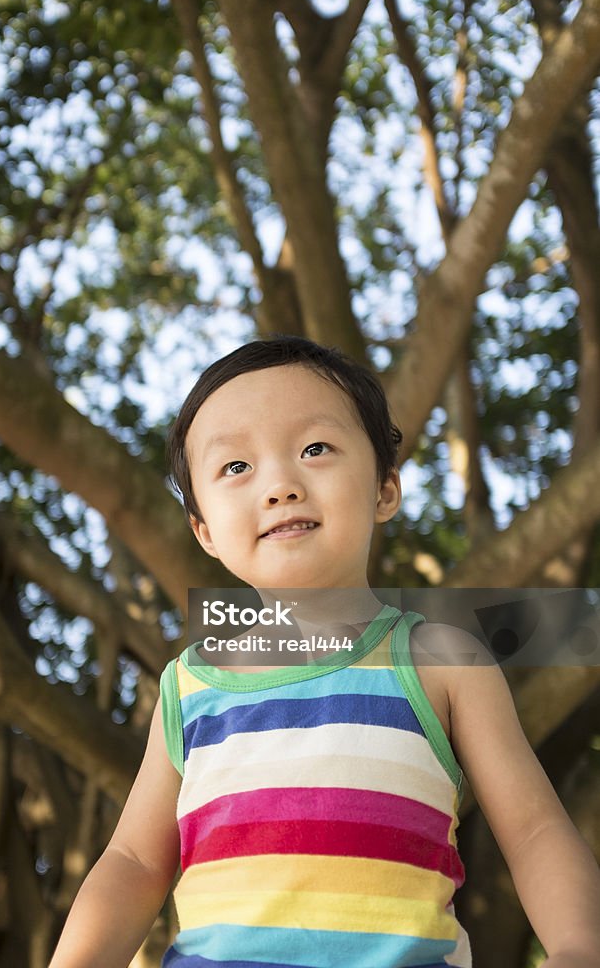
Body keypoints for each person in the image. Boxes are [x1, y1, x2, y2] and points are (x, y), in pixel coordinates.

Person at [49, 336, 600, 968]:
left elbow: (533, 829)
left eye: (315, 449)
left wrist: (579, 947)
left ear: (385, 489)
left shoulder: (441, 662)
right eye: (236, 467)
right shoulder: (187, 687)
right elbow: (134, 861)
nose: (281, 484)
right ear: (203, 531)